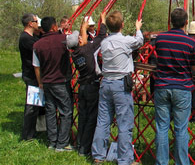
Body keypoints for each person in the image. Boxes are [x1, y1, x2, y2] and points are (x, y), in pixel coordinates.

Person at [91, 11, 143, 165]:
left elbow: (94, 56)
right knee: (124, 122)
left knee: (103, 121)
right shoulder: (126, 41)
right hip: (121, 85)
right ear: (122, 25)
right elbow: (139, 41)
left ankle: (98, 156)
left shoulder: (105, 42)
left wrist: (99, 72)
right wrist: (138, 27)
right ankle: (125, 159)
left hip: (106, 83)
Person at [154, 8, 195, 165]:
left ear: (171, 21)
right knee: (181, 129)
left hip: (162, 86)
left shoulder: (160, 39)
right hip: (182, 88)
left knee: (161, 127)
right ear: (186, 23)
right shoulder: (191, 43)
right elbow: (194, 69)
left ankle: (161, 162)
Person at [67, 12, 107, 157]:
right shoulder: (87, 50)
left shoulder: (76, 53)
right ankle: (85, 149)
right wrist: (102, 21)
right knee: (91, 118)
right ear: (79, 42)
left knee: (83, 117)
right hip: (91, 87)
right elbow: (101, 37)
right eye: (80, 37)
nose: (81, 36)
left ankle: (80, 144)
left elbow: (85, 40)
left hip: (82, 87)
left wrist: (83, 27)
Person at [33, 17, 73, 151]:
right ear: (54, 27)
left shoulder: (37, 45)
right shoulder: (63, 40)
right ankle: (62, 144)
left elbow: (36, 67)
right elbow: (76, 40)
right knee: (66, 112)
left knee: (50, 111)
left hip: (47, 82)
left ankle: (52, 142)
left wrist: (40, 83)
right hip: (61, 81)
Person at [19, 13, 40, 141]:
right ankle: (27, 135)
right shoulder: (26, 38)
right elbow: (39, 47)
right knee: (31, 105)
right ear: (30, 23)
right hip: (31, 75)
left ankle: (32, 131)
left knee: (35, 104)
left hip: (32, 74)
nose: (38, 23)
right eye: (36, 21)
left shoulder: (30, 37)